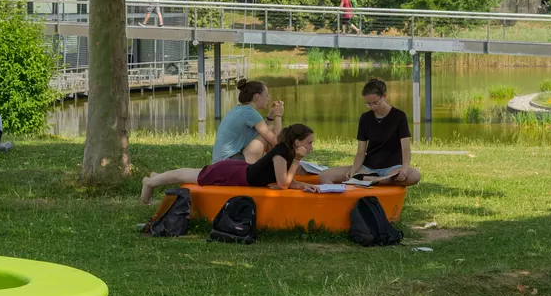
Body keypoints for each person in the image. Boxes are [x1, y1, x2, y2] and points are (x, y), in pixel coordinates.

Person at [141, 124, 320, 205]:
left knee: (193, 173)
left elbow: (283, 180)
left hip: (241, 171)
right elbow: (282, 184)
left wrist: (304, 186)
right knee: (190, 176)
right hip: (233, 174)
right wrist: (297, 161)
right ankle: (149, 183)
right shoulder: (281, 152)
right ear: (297, 142)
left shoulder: (287, 152)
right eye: (309, 142)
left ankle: (156, 177)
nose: (311, 146)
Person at [319, 78, 421, 187]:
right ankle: (372, 180)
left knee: (415, 175)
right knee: (324, 175)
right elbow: (361, 152)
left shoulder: (399, 116)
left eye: (375, 103)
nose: (373, 107)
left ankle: (367, 180)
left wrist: (404, 169)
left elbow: (406, 149)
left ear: (384, 96)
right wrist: (354, 170)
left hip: (392, 169)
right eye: (368, 104)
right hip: (368, 168)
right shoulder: (365, 118)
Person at [212, 79, 284, 164]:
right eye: (267, 95)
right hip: (230, 164)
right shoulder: (250, 113)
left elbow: (261, 130)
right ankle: (279, 168)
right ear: (257, 97)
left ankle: (274, 168)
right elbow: (276, 140)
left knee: (269, 131)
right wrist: (278, 115)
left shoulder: (240, 109)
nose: (268, 98)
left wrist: (271, 115)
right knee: (271, 134)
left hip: (221, 163)